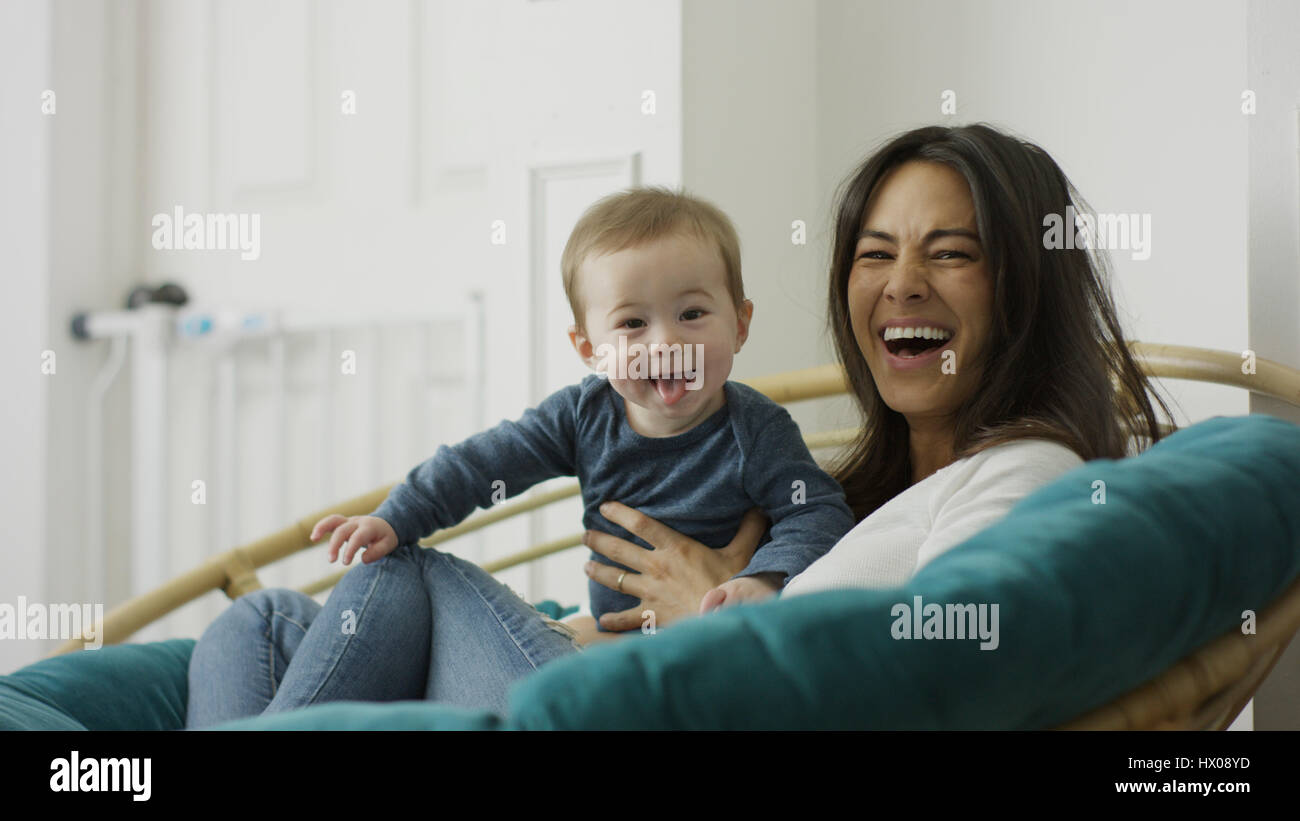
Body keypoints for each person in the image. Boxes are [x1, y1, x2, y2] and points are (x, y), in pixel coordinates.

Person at [186, 123, 1170, 729]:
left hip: (623, 709)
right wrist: (578, 622)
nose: (900, 280)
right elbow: (489, 458)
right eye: (874, 251)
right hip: (589, 663)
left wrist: (728, 599)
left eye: (949, 251)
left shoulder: (1024, 474)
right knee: (260, 620)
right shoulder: (867, 488)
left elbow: (937, 675)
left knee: (403, 570)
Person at [305, 187, 856, 637]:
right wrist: (395, 517)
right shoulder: (582, 416)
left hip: (708, 638)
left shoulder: (755, 430)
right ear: (589, 348)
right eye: (632, 324)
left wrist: (764, 581)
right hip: (614, 634)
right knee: (411, 577)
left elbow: (818, 511)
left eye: (692, 313)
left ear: (739, 323)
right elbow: (479, 465)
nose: (664, 342)